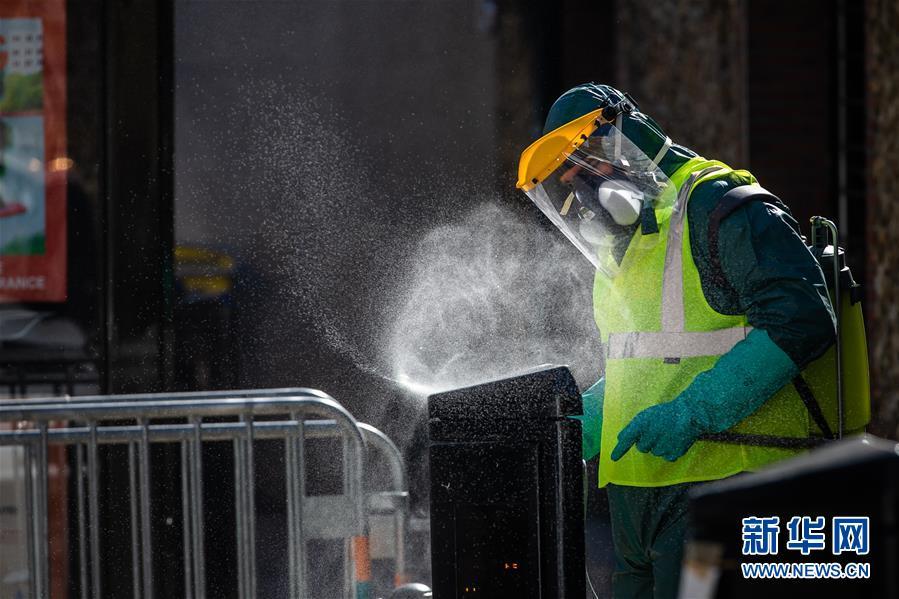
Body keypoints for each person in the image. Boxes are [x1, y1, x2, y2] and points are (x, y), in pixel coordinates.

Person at [516, 83, 842, 598]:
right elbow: (640, 357)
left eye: (589, 163)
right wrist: (585, 419)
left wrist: (695, 412)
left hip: (727, 486)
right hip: (635, 502)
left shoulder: (718, 206)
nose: (582, 190)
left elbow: (802, 318)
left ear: (626, 139)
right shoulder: (623, 247)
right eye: (568, 180)